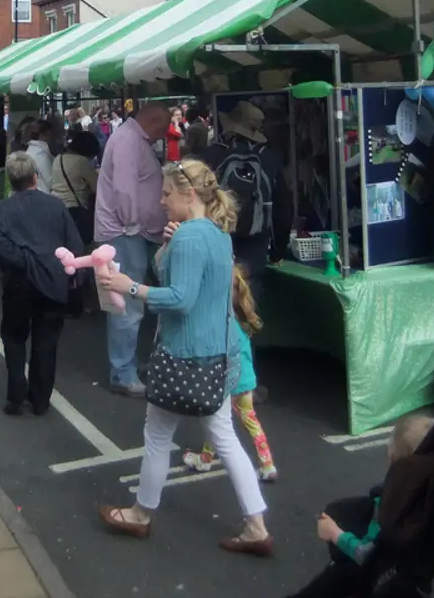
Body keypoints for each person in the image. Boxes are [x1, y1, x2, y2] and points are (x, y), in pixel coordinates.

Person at [96, 159, 272, 555]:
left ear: (188, 194)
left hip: (184, 355)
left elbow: (179, 298)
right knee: (225, 438)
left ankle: (141, 515)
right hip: (218, 356)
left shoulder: (192, 237)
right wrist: (167, 247)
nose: (160, 201)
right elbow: (181, 280)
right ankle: (256, 523)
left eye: (166, 194)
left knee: (158, 435)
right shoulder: (216, 233)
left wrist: (131, 287)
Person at [288, 415, 434, 598]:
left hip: (383, 578)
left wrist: (335, 534)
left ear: (392, 458)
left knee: (339, 573)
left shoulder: (392, 507)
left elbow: (368, 556)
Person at [0, 151, 83, 416]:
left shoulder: (4, 209)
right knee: (46, 342)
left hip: (18, 282)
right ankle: (40, 400)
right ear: (35, 176)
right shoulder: (55, 206)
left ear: (11, 179)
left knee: (14, 337)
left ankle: (16, 395)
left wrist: (20, 258)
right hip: (52, 281)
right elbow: (73, 243)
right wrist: (72, 277)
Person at [95, 102, 168, 397]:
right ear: (153, 121)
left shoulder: (129, 138)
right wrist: (133, 223)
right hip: (126, 234)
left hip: (131, 233)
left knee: (130, 302)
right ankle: (123, 373)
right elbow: (125, 191)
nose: (165, 133)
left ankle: (126, 366)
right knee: (127, 303)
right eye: (163, 127)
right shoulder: (128, 141)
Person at [181, 264, 276, 482]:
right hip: (246, 382)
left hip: (226, 382)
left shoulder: (220, 323)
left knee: (215, 421)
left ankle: (205, 459)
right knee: (250, 422)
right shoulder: (242, 321)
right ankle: (267, 464)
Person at [201, 100, 285, 302]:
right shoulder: (270, 158)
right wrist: (277, 251)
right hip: (254, 246)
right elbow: (282, 208)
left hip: (217, 240)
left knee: (215, 304)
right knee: (247, 308)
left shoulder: (212, 154)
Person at [51, 129, 99, 246]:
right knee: (79, 248)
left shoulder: (58, 158)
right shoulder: (81, 161)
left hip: (56, 207)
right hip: (76, 210)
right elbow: (96, 187)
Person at [23, 120, 56, 193]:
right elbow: (50, 181)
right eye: (50, 134)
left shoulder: (31, 150)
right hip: (44, 196)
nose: (52, 137)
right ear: (43, 136)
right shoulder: (40, 154)